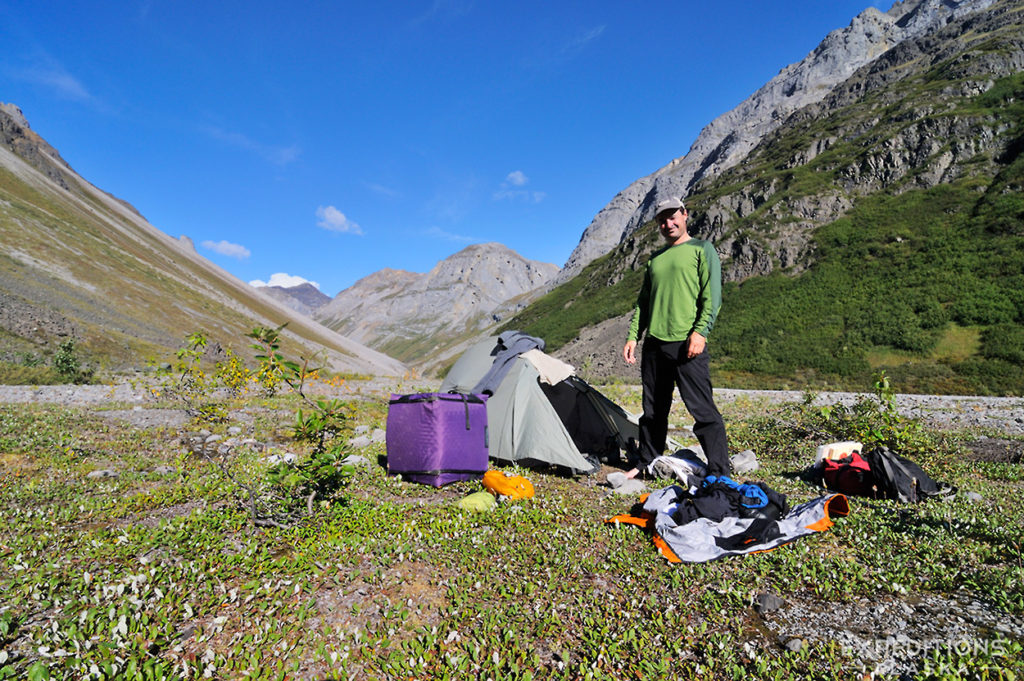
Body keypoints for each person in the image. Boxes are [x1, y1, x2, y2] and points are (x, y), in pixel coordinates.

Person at [621, 197, 731, 478]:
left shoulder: (702, 249)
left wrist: (700, 332)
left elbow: (712, 296)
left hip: (687, 343)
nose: (667, 224)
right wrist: (634, 336)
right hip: (655, 344)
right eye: (661, 220)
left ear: (684, 215)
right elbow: (643, 302)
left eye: (672, 217)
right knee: (653, 411)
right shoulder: (655, 259)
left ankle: (720, 471)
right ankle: (647, 462)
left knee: (702, 409)